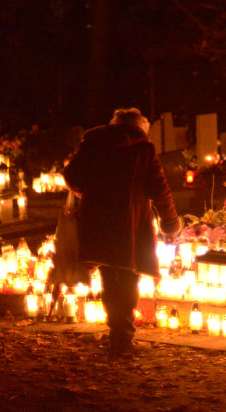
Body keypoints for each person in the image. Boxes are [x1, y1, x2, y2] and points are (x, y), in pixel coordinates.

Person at [64, 108, 182, 357]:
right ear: (140, 128)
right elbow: (160, 189)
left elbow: (73, 175)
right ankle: (123, 340)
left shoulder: (94, 144)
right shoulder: (143, 149)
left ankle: (117, 335)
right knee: (128, 278)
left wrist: (90, 192)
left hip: (97, 219)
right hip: (130, 222)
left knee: (109, 276)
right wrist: (170, 223)